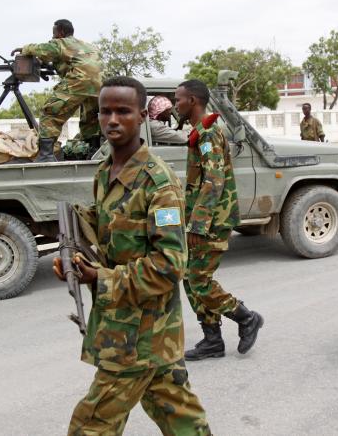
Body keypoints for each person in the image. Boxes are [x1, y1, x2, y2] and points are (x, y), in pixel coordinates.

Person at [52, 76, 211, 435]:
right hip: (135, 330)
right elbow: (107, 234)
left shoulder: (158, 182)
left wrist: (101, 279)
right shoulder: (105, 172)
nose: (112, 120)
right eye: (105, 111)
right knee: (180, 416)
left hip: (139, 335)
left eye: (122, 111)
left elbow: (171, 265)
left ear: (141, 117)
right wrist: (74, 259)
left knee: (90, 427)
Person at [174, 79, 264, 361]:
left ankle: (246, 317)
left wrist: (198, 224)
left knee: (198, 280)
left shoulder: (209, 134)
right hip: (200, 219)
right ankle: (212, 339)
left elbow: (213, 182)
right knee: (191, 280)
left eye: (179, 99)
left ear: (193, 101)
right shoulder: (200, 132)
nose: (176, 104)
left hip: (212, 221)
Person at [12, 19, 102, 162]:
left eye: (54, 33)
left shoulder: (61, 42)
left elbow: (43, 49)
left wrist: (25, 49)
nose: (53, 37)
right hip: (100, 85)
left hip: (80, 81)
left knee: (50, 112)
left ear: (60, 32)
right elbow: (68, 61)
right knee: (90, 118)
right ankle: (95, 151)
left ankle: (46, 156)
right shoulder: (88, 46)